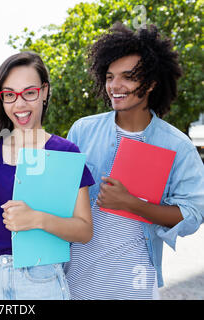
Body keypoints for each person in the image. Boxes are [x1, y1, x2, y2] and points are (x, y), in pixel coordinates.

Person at [64, 22, 204, 300]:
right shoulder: (82, 130)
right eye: (109, 76)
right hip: (76, 276)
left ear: (151, 83)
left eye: (128, 76)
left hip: (134, 281)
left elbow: (193, 215)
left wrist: (132, 204)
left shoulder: (177, 146)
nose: (115, 86)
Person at [0, 51, 95, 300]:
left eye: (29, 92)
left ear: (44, 91)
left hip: (43, 279)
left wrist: (37, 219)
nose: (19, 104)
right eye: (9, 95)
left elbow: (84, 230)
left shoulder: (64, 152)